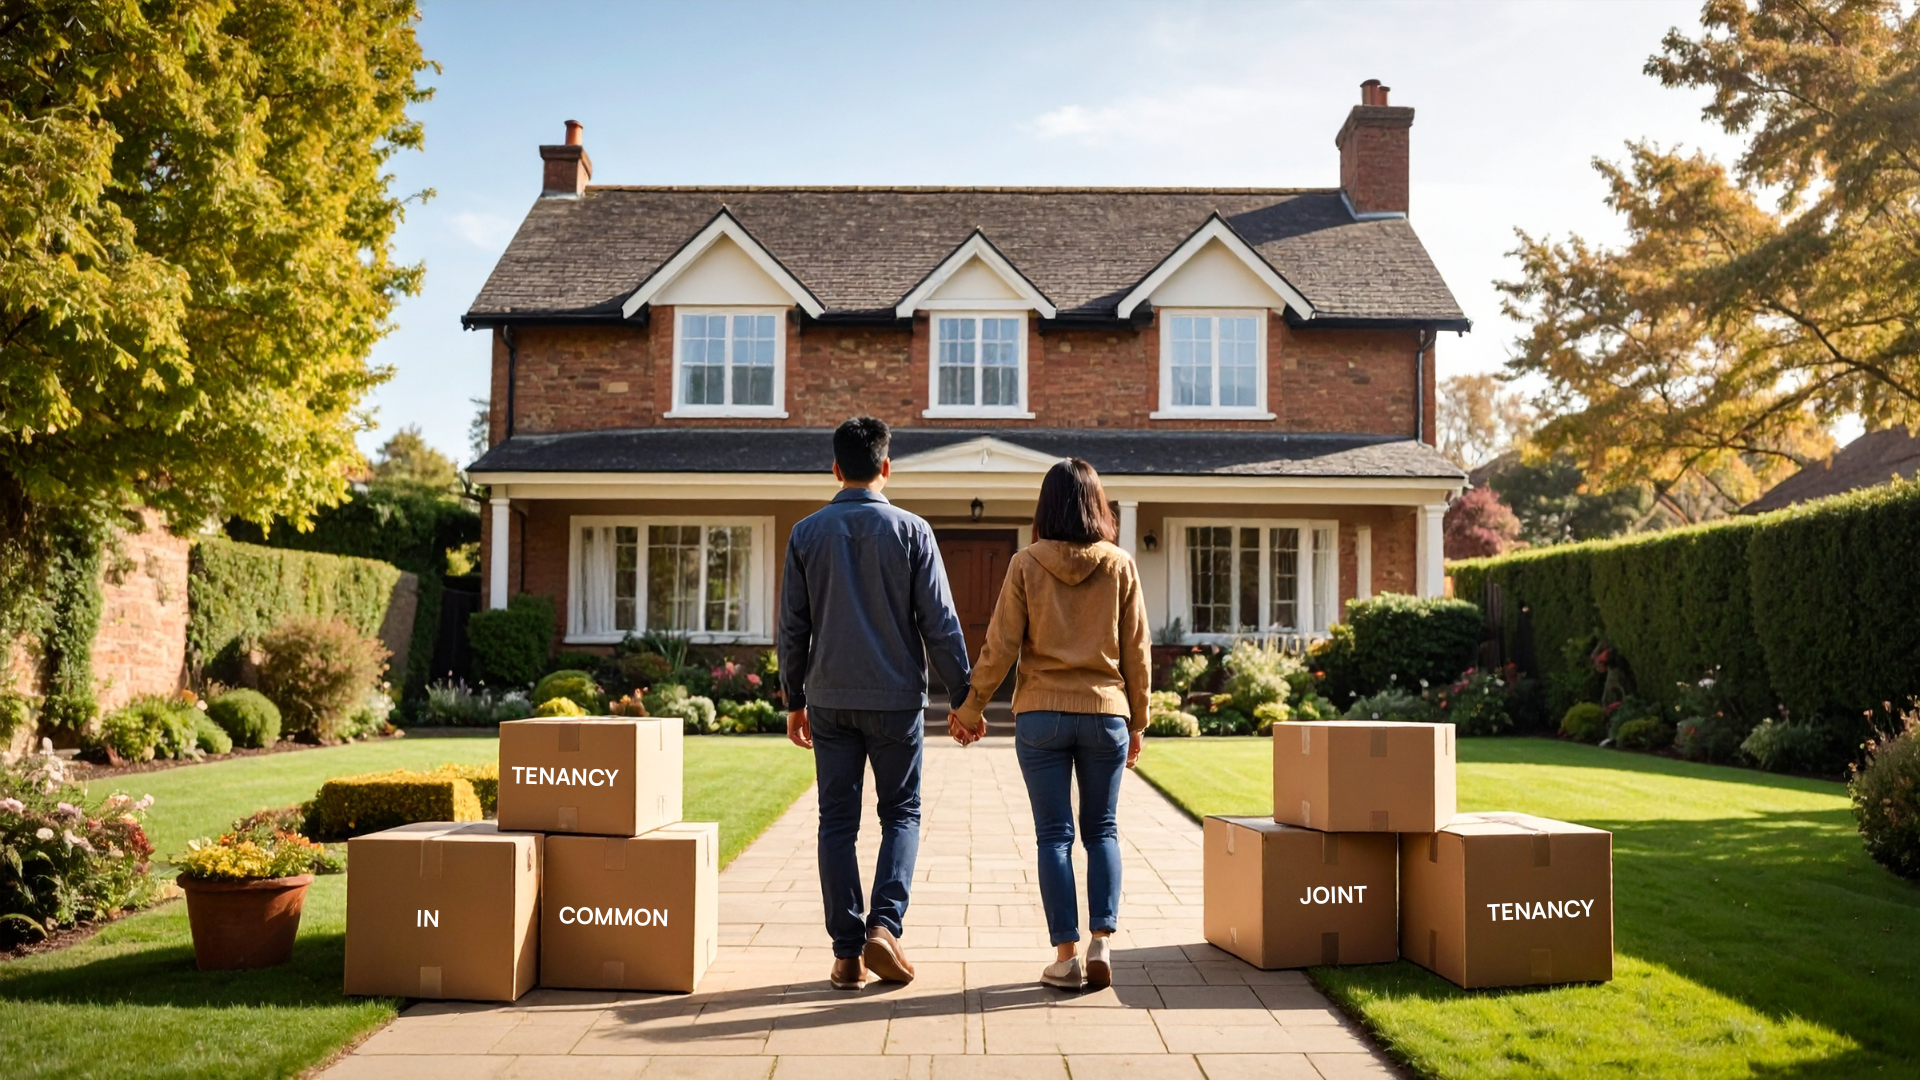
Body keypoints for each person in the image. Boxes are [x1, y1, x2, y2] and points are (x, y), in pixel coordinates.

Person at [779, 416, 972, 991]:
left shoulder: (806, 533)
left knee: (836, 821)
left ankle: (846, 954)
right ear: (887, 468)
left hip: (830, 699)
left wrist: (794, 699)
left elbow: (793, 626)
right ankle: (884, 929)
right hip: (895, 701)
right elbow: (940, 622)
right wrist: (965, 698)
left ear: (835, 469)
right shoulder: (913, 531)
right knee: (901, 814)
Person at [949, 458, 1150, 991]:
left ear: (1046, 506)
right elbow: (1138, 652)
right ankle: (1102, 940)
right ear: (1098, 505)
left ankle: (1066, 957)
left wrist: (971, 709)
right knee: (1102, 829)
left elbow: (1000, 646)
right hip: (1106, 711)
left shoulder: (1025, 563)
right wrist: (1140, 720)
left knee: (1053, 835)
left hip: (1041, 714)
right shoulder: (1120, 565)